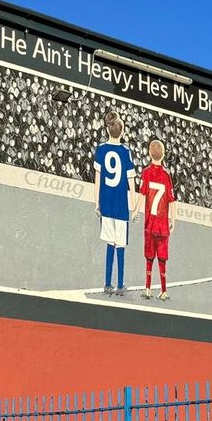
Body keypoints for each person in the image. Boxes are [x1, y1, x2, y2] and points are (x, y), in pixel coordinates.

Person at [93, 111, 137, 295]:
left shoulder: (101, 150)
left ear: (108, 130)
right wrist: (134, 208)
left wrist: (97, 203)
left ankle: (107, 284)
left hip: (106, 204)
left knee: (109, 244)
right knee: (120, 245)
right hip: (120, 206)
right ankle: (120, 285)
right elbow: (131, 182)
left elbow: (97, 179)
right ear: (122, 132)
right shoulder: (126, 152)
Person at [140, 139, 175, 300]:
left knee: (149, 257)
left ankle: (147, 289)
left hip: (150, 223)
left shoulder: (146, 173)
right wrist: (173, 220)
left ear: (149, 153)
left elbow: (142, 194)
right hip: (162, 225)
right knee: (162, 258)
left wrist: (134, 212)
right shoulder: (167, 175)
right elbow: (172, 200)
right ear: (164, 154)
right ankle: (164, 290)